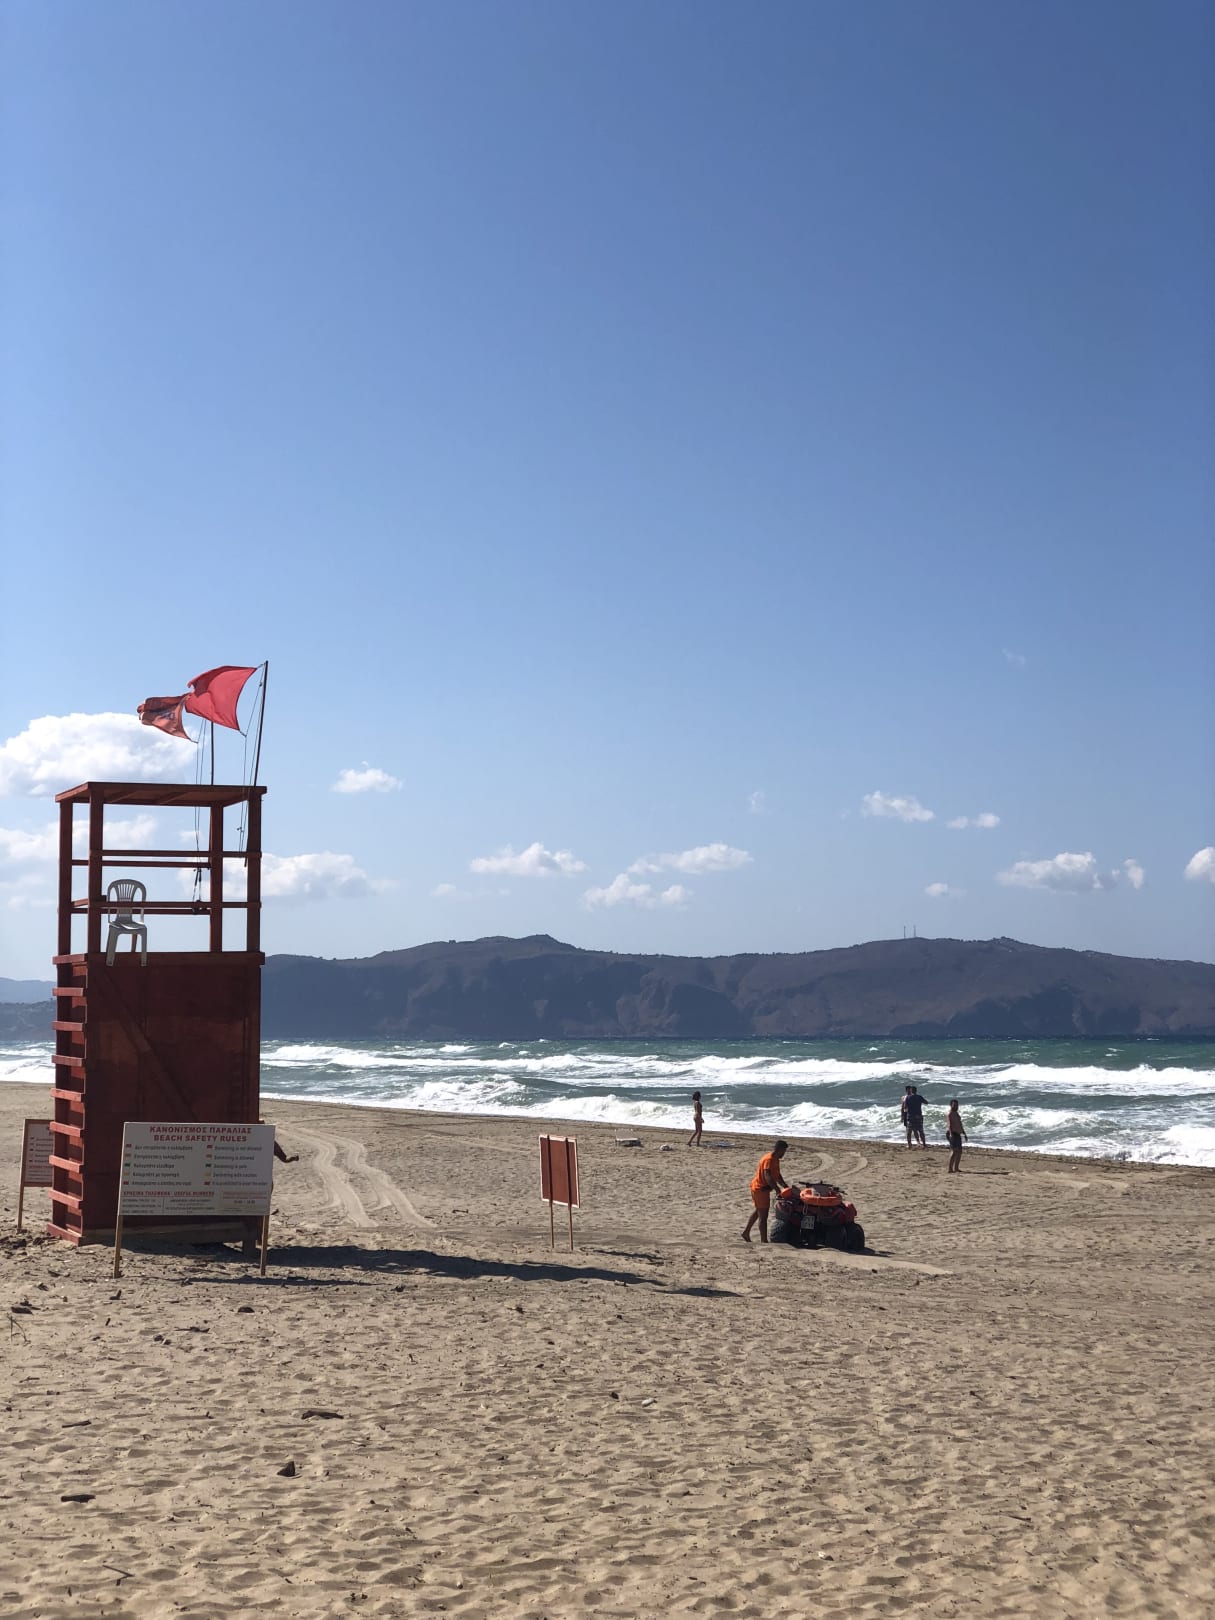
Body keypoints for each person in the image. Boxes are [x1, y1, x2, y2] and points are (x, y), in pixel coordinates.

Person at [742, 1140, 790, 1243]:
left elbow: (777, 1175)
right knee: (763, 1216)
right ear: (779, 1150)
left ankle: (746, 1232)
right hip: (760, 1189)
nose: (784, 1154)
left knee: (759, 1211)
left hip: (763, 1189)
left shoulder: (776, 1159)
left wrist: (784, 1185)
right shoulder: (769, 1159)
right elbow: (767, 1176)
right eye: (784, 1151)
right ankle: (764, 1241)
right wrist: (777, 1190)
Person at [945, 1099, 967, 1173]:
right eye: (954, 1105)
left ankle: (956, 1168)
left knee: (959, 1151)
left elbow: (959, 1124)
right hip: (952, 1133)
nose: (956, 1107)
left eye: (957, 1105)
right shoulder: (950, 1113)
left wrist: (964, 1133)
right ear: (951, 1105)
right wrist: (951, 1134)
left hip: (957, 1134)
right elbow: (949, 1125)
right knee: (954, 1151)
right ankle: (950, 1169)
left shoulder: (956, 1113)